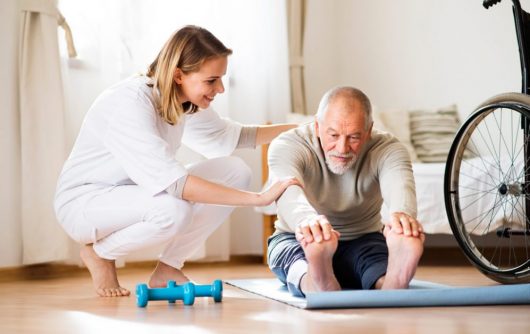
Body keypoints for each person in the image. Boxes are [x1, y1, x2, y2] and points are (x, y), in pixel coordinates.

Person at [54, 25, 298, 297]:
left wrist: (306, 129)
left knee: (235, 171)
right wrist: (258, 199)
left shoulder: (181, 99)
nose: (220, 88)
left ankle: (168, 268)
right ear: (179, 75)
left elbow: (235, 135)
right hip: (85, 202)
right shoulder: (129, 102)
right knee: (174, 211)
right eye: (211, 80)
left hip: (134, 192)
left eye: (221, 79)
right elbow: (175, 184)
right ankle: (99, 253)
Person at [266, 86, 425, 297]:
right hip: (297, 239)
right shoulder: (287, 145)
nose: (342, 148)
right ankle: (315, 281)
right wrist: (309, 224)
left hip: (363, 240)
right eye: (333, 135)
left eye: (354, 137)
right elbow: (288, 193)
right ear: (317, 126)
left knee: (375, 261)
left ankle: (393, 282)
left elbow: (400, 184)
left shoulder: (388, 148)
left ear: (369, 131)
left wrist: (402, 217)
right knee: (293, 262)